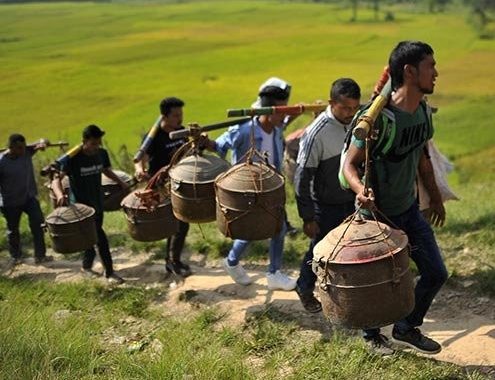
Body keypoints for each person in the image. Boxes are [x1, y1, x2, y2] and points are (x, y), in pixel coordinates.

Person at [341, 41, 448, 356]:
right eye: (431, 66)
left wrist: (436, 196)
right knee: (377, 281)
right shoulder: (378, 119)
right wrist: (360, 190)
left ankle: (406, 326)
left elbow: (423, 157)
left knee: (435, 272)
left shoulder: (423, 113)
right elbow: (349, 163)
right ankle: (371, 335)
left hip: (408, 209)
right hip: (375, 216)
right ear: (410, 71)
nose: (436, 73)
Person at [214, 77, 297, 291]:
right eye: (281, 111)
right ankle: (232, 261)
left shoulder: (276, 128)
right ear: (267, 111)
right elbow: (220, 146)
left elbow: (282, 127)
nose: (284, 115)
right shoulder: (244, 131)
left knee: (277, 228)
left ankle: (273, 273)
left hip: (270, 188)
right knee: (251, 230)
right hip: (248, 191)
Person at [294, 78, 362, 313]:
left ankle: (344, 292)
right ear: (332, 102)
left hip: (350, 201)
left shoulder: (357, 123)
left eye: (354, 108)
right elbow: (302, 178)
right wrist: (307, 217)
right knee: (319, 251)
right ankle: (304, 287)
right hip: (325, 204)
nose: (350, 113)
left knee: (350, 248)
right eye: (345, 108)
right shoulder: (316, 133)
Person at [134, 96, 202, 278]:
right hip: (163, 186)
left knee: (182, 223)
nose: (179, 118)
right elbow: (141, 158)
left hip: (180, 183)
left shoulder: (181, 132)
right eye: (175, 115)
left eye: (181, 114)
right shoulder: (153, 137)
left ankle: (172, 260)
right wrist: (140, 170)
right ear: (164, 117)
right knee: (176, 224)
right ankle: (172, 262)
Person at [52, 125, 129, 284]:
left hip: (97, 203)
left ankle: (86, 266)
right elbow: (56, 179)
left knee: (90, 236)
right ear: (84, 142)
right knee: (100, 238)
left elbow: (106, 170)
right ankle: (109, 273)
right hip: (81, 207)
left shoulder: (101, 153)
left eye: (98, 143)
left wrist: (121, 183)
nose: (96, 147)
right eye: (93, 143)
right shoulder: (73, 158)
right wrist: (60, 194)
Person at [0, 134, 51, 265]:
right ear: (10, 147)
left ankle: (40, 256)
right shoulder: (0, 163)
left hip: (29, 198)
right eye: (19, 148)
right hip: (10, 201)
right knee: (13, 230)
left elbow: (43, 140)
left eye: (23, 147)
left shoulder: (26, 152)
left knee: (39, 223)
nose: (22, 151)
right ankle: (16, 257)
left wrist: (43, 142)